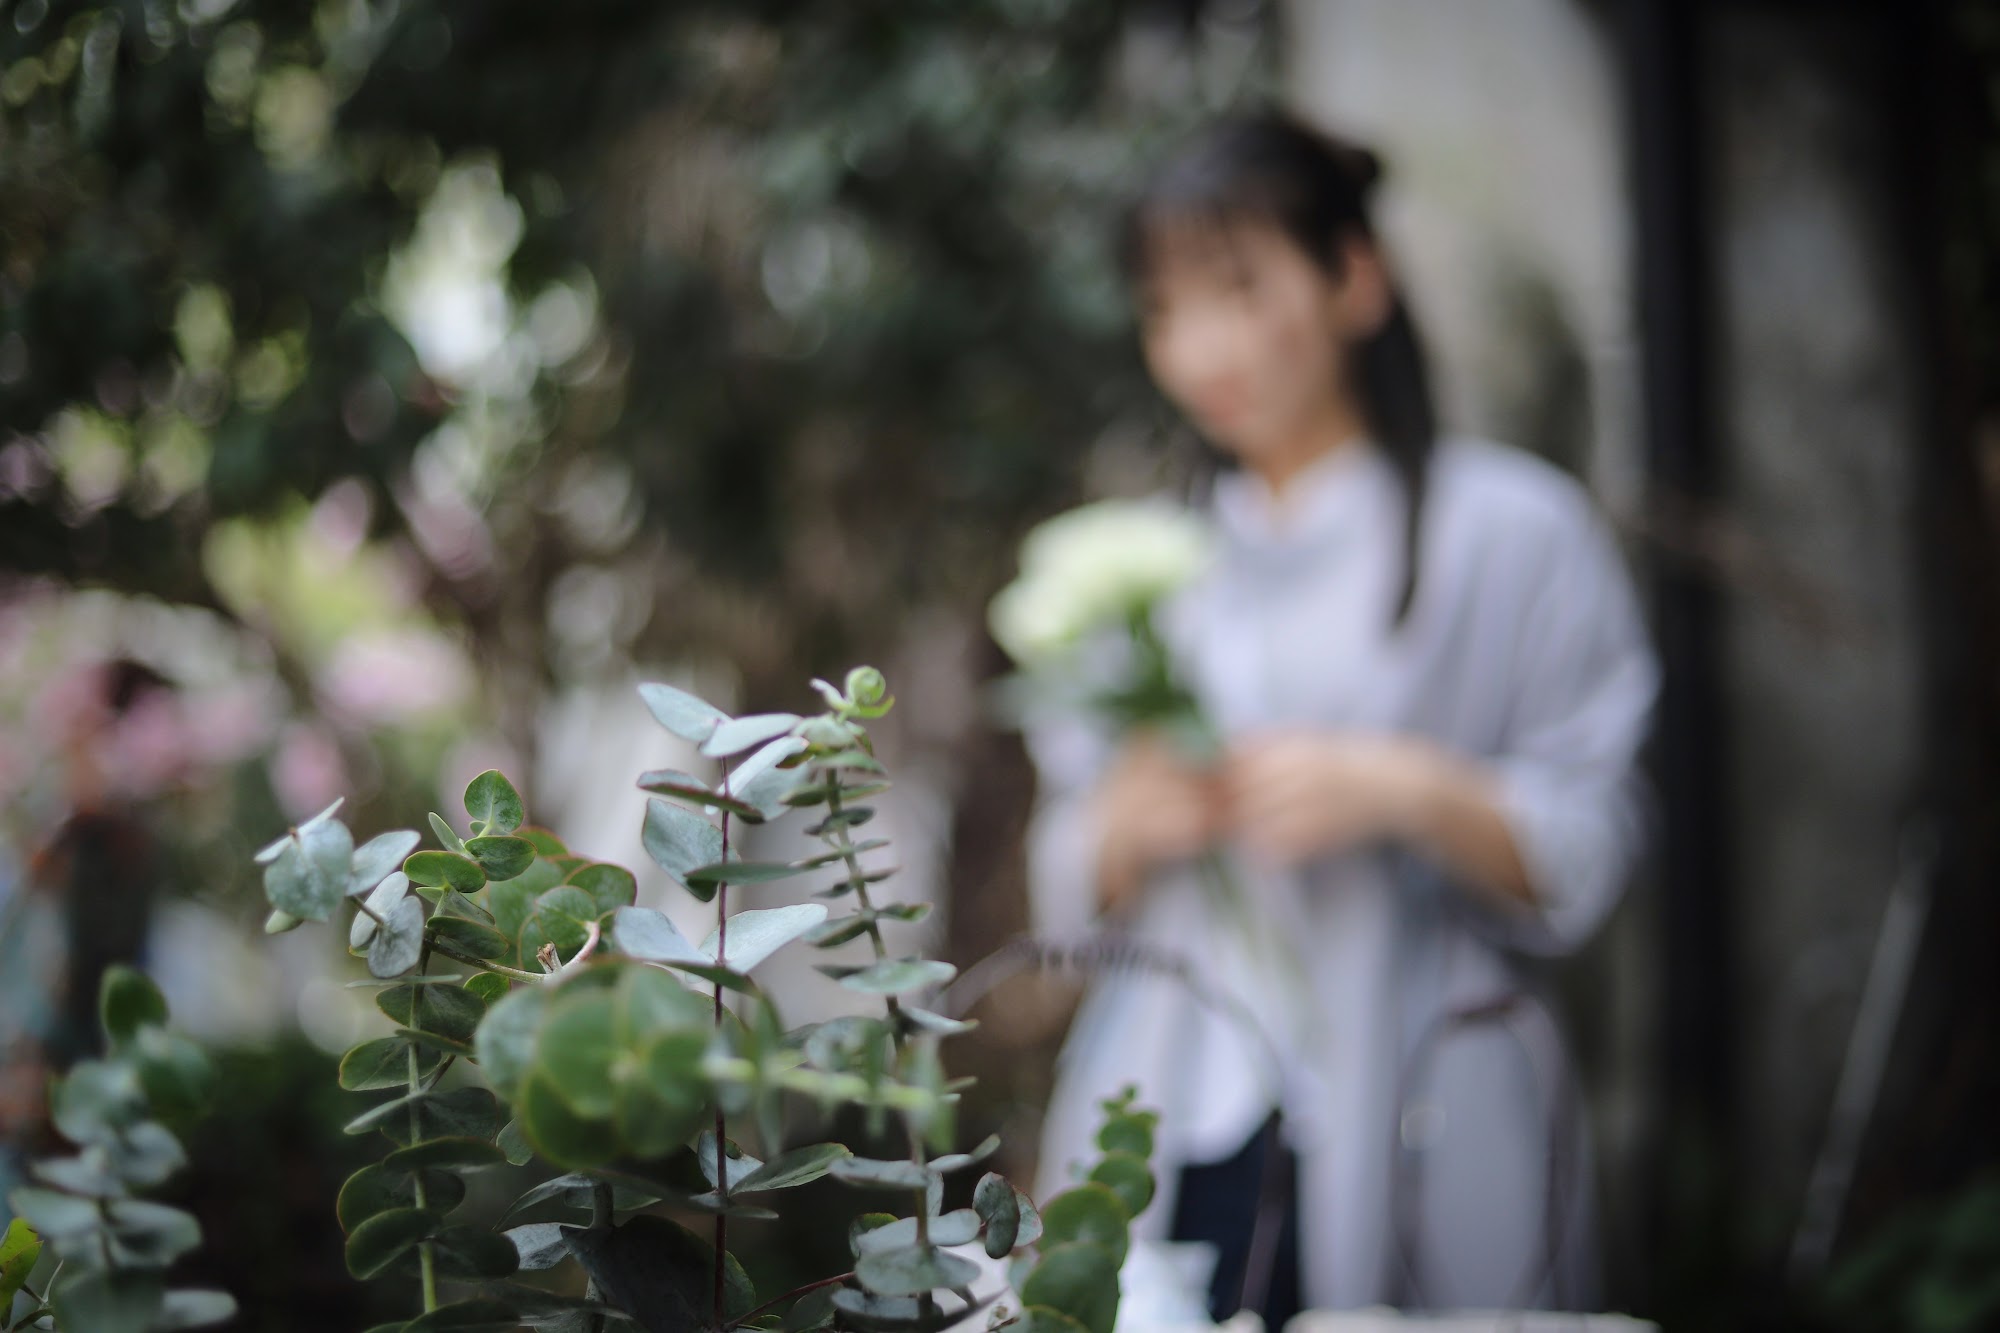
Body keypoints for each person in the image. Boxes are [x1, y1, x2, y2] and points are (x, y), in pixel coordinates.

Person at [1023, 113, 1658, 1319]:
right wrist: (1122, 823)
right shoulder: (1142, 565)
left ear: (1353, 279)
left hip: (1426, 1099)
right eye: (1163, 311)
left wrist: (1407, 791)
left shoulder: (1510, 534)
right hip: (1173, 1109)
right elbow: (1064, 867)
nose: (1198, 349)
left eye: (1237, 290)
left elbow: (1593, 840)